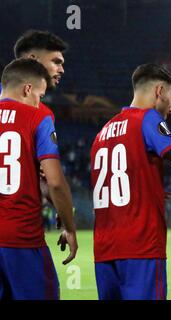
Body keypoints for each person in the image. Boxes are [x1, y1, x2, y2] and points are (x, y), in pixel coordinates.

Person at [90, 63, 171, 300]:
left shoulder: (103, 132)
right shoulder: (147, 119)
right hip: (140, 246)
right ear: (159, 91)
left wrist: (149, 190)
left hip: (104, 249)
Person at [0, 58, 77, 300]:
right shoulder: (36, 118)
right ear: (27, 89)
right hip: (21, 239)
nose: (39, 102)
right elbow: (55, 181)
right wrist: (70, 227)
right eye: (40, 96)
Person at [0, 30, 68, 122]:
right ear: (32, 59)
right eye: (56, 62)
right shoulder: (43, 116)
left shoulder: (43, 115)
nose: (62, 70)